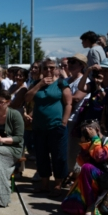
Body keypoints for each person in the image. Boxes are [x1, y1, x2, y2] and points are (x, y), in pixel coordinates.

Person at [25, 58, 72, 196]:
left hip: (57, 126)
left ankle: (57, 185)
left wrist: (64, 122)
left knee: (59, 157)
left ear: (56, 69)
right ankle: (44, 185)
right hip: (39, 127)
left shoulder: (61, 83)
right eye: (45, 68)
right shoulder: (35, 83)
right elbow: (27, 98)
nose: (49, 70)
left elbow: (68, 103)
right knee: (41, 156)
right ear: (41, 70)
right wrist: (39, 84)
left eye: (51, 67)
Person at [61, 120, 108, 215]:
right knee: (68, 206)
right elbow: (81, 162)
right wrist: (85, 146)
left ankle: (91, 206)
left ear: (97, 130)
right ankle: (87, 205)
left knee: (87, 167)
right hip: (91, 176)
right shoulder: (91, 141)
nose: (86, 134)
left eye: (88, 131)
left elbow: (100, 156)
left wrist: (95, 138)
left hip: (106, 178)